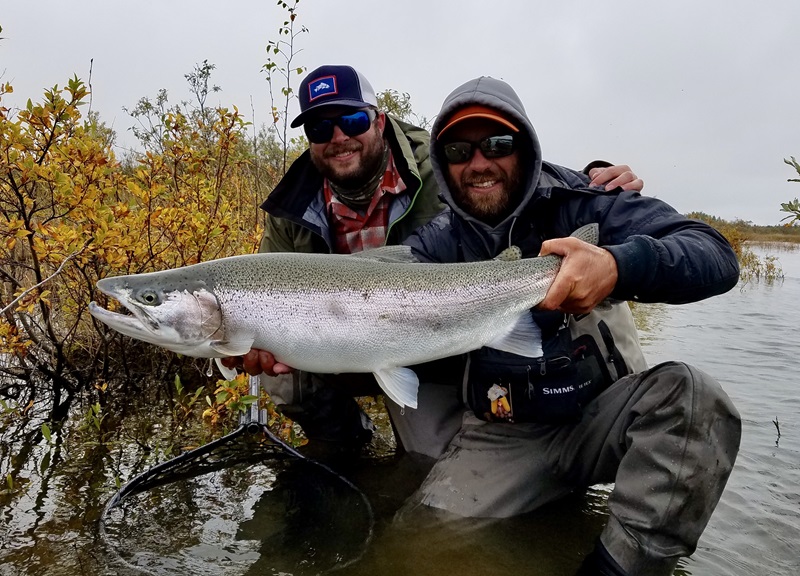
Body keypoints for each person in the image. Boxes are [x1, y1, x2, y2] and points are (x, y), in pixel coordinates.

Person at [387, 76, 740, 576]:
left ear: (526, 149)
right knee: (414, 549)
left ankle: (618, 567)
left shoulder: (587, 199)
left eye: (498, 144)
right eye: (460, 150)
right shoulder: (436, 245)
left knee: (694, 397)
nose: (479, 162)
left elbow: (716, 255)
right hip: (504, 434)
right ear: (443, 165)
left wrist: (617, 265)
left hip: (601, 417)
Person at [223, 64, 644, 454]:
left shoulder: (442, 163)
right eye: (319, 127)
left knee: (430, 461)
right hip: (343, 341)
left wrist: (589, 184)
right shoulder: (290, 206)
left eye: (351, 120)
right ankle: (349, 449)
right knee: (279, 377)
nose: (337, 137)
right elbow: (262, 290)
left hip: (444, 334)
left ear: (379, 120)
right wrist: (242, 341)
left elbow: (508, 178)